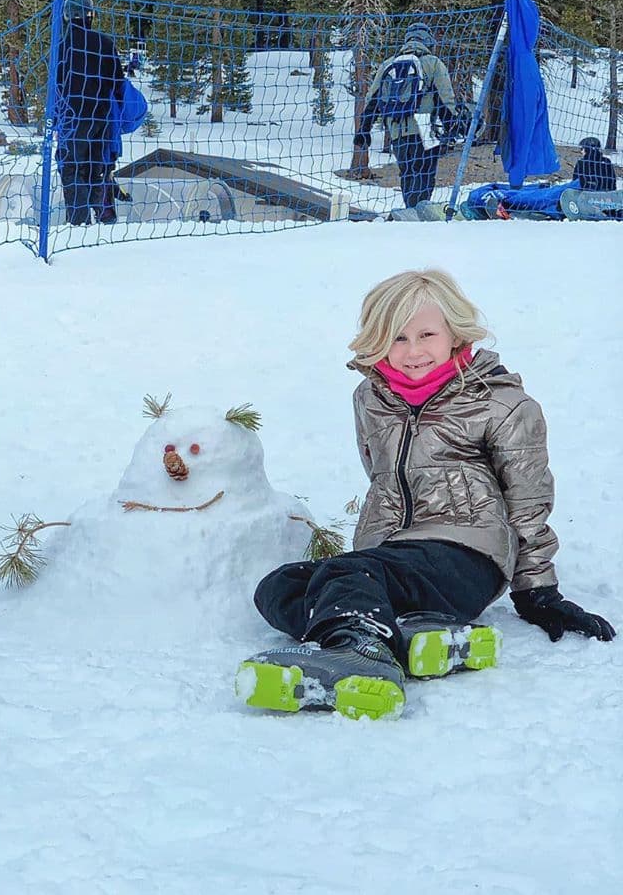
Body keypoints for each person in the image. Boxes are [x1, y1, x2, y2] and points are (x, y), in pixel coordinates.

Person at [237, 268, 614, 721]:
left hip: (466, 555)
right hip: (395, 555)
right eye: (397, 338)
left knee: (350, 578)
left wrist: (538, 593)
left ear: (454, 332)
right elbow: (382, 479)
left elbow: (528, 500)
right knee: (280, 586)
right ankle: (409, 634)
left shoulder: (500, 402)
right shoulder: (370, 398)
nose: (413, 351)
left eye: (426, 335)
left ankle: (363, 653)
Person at [358, 22, 458, 210]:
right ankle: (419, 214)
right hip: (426, 127)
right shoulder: (434, 63)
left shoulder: (389, 64)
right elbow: (446, 99)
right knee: (424, 173)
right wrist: (452, 127)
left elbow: (373, 99)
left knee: (407, 173)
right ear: (428, 40)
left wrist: (364, 129)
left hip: (397, 129)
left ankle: (410, 211)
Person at [55, 0, 127, 225]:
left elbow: (54, 87)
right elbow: (118, 83)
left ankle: (78, 222)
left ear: (66, 16)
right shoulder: (105, 43)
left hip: (73, 118)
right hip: (101, 117)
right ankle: (102, 217)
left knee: (73, 169)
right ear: (90, 15)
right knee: (97, 167)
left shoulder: (62, 47)